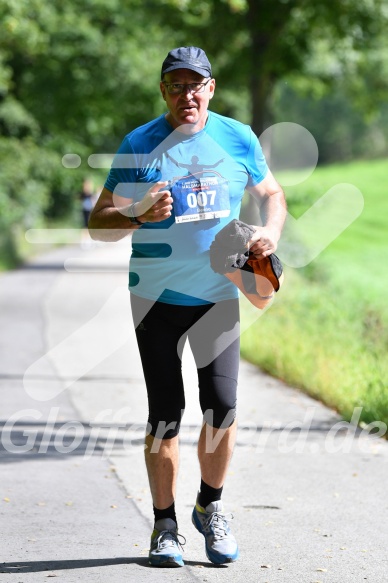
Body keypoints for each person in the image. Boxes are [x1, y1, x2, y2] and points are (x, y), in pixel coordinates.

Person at [88, 46, 287, 567]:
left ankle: (210, 506)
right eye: (176, 86)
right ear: (163, 92)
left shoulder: (237, 138)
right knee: (164, 416)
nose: (187, 95)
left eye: (195, 85)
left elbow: (272, 194)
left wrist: (268, 232)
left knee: (222, 410)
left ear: (211, 88)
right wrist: (137, 211)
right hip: (155, 299)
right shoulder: (139, 144)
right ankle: (165, 526)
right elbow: (98, 222)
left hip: (220, 295)